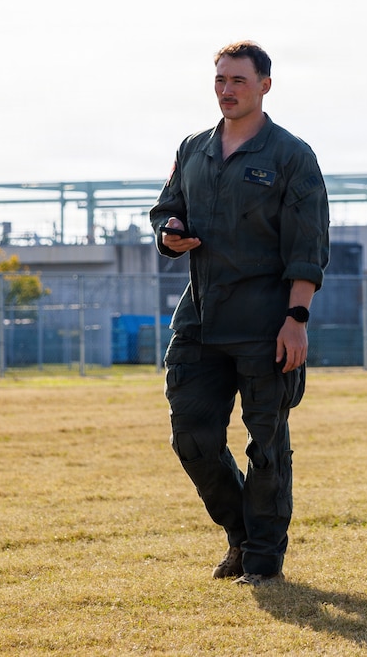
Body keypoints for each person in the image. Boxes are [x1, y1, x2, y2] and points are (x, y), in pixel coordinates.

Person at [150, 40, 330, 587]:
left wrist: (296, 318)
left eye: (239, 81)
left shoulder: (290, 156)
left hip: (267, 321)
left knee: (266, 443)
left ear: (264, 86)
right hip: (201, 318)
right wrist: (171, 234)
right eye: (220, 81)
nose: (228, 90)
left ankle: (262, 562)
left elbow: (309, 244)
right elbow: (169, 207)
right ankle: (241, 533)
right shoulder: (194, 148)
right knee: (193, 437)